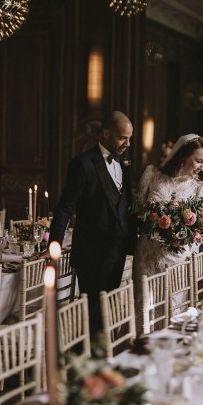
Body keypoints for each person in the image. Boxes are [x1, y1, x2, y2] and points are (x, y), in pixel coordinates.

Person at [48, 110, 136, 340]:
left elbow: (126, 204)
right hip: (92, 252)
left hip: (117, 250)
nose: (127, 143)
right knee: (92, 311)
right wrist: (54, 245)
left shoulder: (124, 163)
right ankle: (87, 363)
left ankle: (99, 358)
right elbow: (65, 206)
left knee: (106, 309)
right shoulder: (83, 164)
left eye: (129, 138)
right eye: (122, 138)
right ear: (106, 133)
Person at [132, 134, 203, 331]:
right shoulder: (152, 174)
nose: (202, 167)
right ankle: (141, 350)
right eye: (199, 160)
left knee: (172, 309)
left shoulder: (201, 187)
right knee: (144, 306)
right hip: (146, 256)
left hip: (177, 259)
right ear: (184, 156)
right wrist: (151, 219)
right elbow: (137, 208)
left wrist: (182, 238)